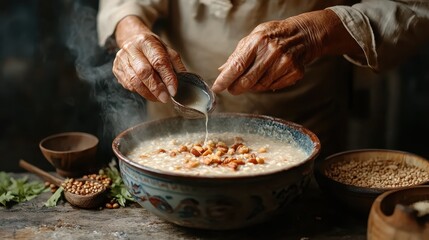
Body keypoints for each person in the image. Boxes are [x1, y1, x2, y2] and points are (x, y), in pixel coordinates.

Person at [97, 0, 429, 158]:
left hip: (306, 127)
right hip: (173, 124)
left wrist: (320, 31)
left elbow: (415, 8)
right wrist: (131, 31)